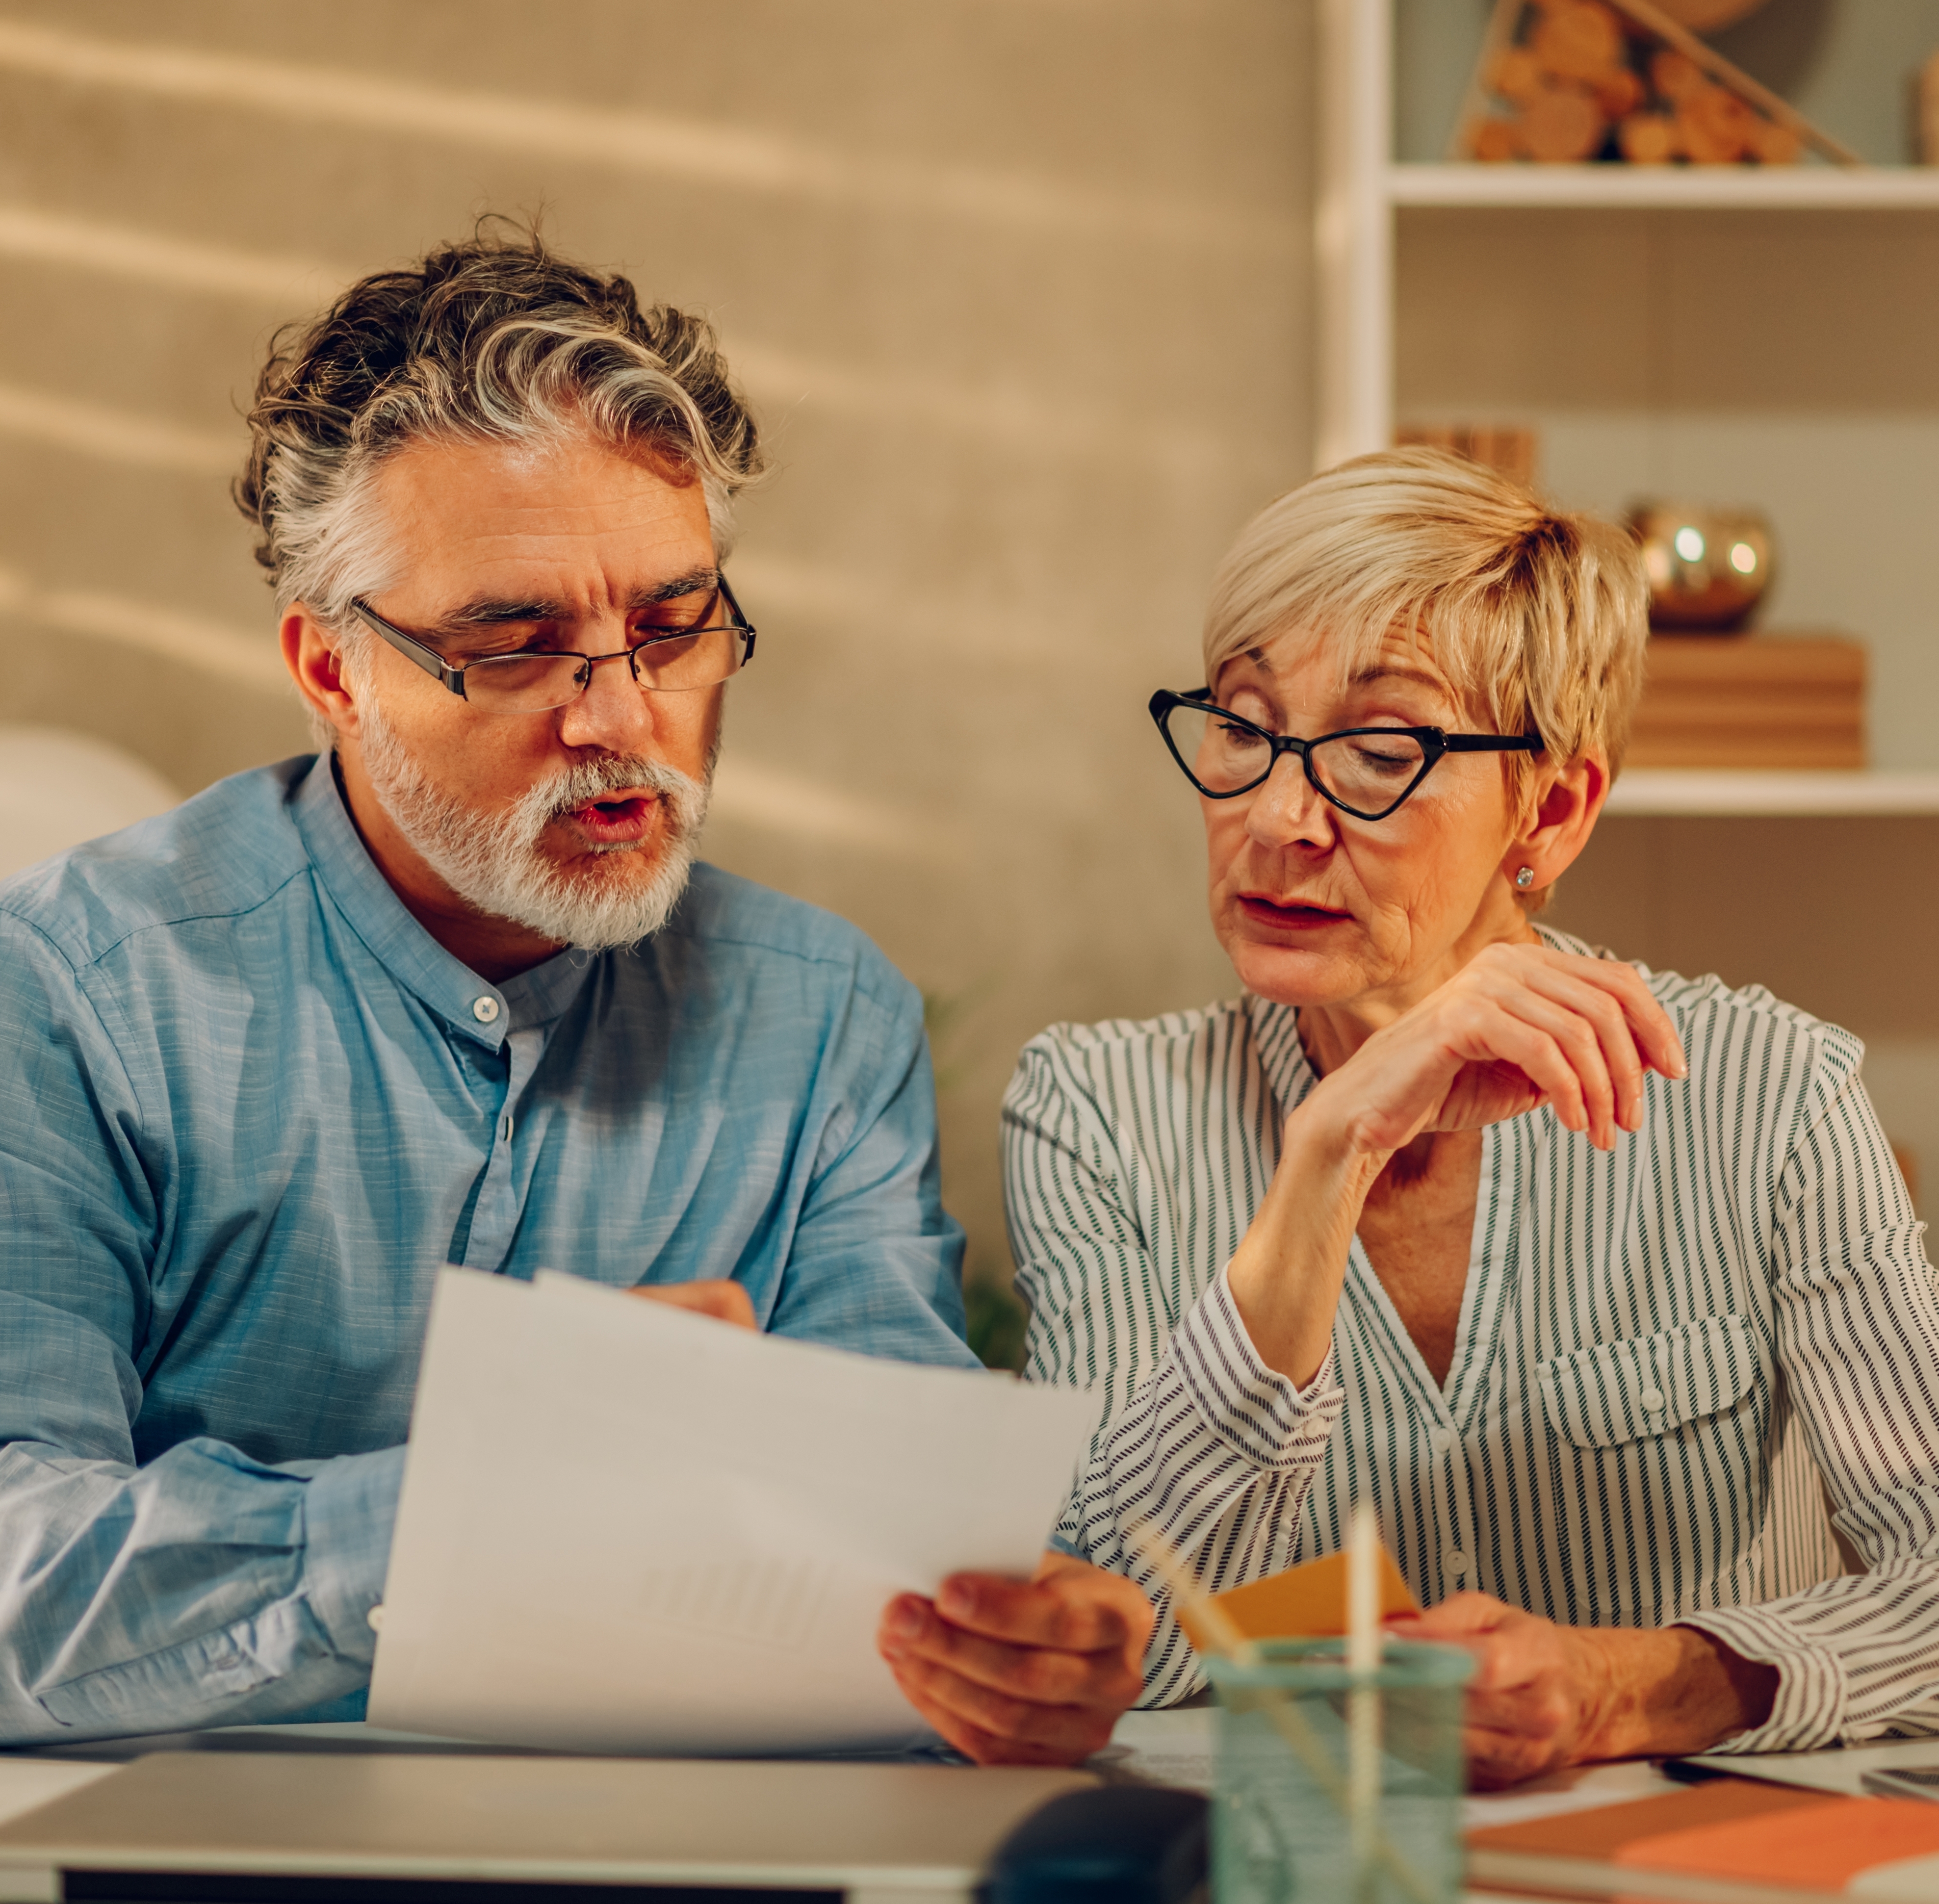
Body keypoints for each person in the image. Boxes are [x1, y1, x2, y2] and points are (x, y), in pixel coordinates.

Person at [0, 229, 1147, 1757]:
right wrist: (472, 1506)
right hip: (188, 1846)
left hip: (689, 1845)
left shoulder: (824, 1019)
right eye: (516, 646)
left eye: (672, 628)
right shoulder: (69, 991)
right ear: (332, 670)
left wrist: (1004, 1649)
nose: (621, 717)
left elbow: (895, 1578)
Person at [998, 448, 1939, 1785]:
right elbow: (1106, 1638)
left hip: (1675, 1868)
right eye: (1244, 726)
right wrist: (1326, 1157)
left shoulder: (1765, 1095)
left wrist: (1627, 1687)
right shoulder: (1096, 1114)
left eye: (1382, 752)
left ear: (1550, 809)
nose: (1277, 818)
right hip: (1302, 1864)